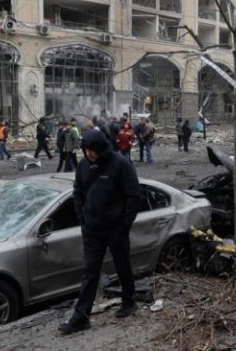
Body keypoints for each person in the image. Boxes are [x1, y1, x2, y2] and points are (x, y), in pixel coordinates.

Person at [57, 130, 142, 334]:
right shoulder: (84, 165)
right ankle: (81, 317)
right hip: (92, 229)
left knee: (123, 266)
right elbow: (78, 193)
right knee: (89, 272)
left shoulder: (121, 164)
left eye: (92, 150)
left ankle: (129, 301)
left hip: (116, 228)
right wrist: (83, 219)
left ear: (101, 148)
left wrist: (124, 225)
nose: (89, 154)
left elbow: (133, 196)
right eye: (86, 150)